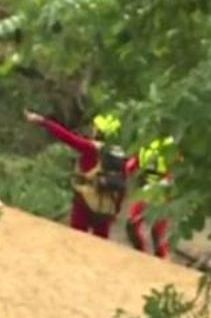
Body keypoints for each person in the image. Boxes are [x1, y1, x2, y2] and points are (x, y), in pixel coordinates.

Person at [24, 109, 137, 239]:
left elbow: (66, 136)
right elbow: (122, 184)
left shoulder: (89, 148)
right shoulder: (119, 157)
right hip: (106, 207)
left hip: (84, 202)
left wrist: (43, 121)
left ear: (97, 131)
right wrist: (116, 210)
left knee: (75, 239)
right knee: (100, 244)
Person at [126, 135, 177, 260]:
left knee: (146, 229)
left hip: (154, 192)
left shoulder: (148, 145)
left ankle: (151, 256)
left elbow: (130, 167)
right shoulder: (149, 145)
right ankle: (149, 256)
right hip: (153, 191)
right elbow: (131, 166)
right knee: (139, 227)